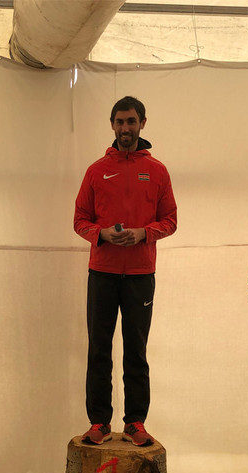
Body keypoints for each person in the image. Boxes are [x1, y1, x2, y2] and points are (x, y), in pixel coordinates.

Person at [73, 96, 178, 447]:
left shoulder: (158, 171)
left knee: (136, 350)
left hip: (139, 275)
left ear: (143, 124)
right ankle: (99, 422)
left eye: (131, 122)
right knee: (99, 349)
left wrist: (144, 233)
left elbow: (170, 220)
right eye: (119, 122)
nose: (125, 129)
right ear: (112, 125)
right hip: (101, 273)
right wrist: (100, 234)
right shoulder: (95, 170)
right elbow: (79, 220)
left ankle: (135, 421)